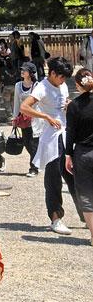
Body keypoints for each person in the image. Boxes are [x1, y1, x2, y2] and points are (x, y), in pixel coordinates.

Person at [20, 56, 82, 235]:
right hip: (51, 137)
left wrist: (69, 105)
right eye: (61, 77)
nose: (63, 81)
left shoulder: (61, 85)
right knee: (53, 178)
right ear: (53, 73)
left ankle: (84, 214)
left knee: (73, 176)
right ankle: (55, 217)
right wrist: (45, 116)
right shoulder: (42, 87)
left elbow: (63, 101)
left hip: (66, 133)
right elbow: (25, 107)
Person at [65, 67, 93, 246]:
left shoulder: (74, 105)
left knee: (87, 195)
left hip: (82, 153)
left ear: (77, 85)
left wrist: (68, 154)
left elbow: (70, 133)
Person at [12, 62, 39, 176]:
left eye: (25, 70)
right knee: (26, 143)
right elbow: (17, 102)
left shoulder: (37, 85)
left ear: (31, 73)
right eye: (22, 69)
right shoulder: (18, 85)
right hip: (23, 119)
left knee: (33, 143)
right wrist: (15, 117)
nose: (22, 71)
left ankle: (33, 168)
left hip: (35, 119)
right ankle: (37, 162)